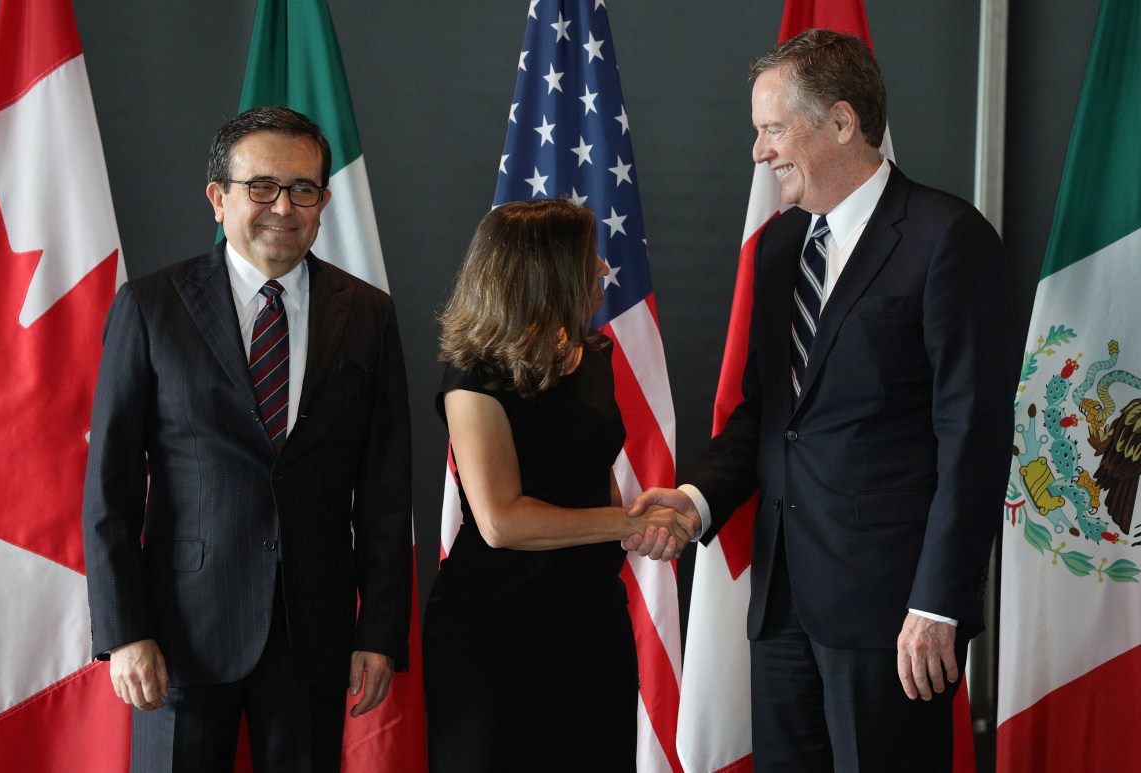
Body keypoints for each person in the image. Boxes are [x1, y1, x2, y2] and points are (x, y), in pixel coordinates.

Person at [626, 30, 1017, 772]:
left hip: (894, 618)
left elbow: (974, 434)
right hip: (783, 611)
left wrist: (939, 602)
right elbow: (769, 418)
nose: (758, 151)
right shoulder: (779, 250)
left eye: (773, 129)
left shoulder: (946, 238)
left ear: (841, 122)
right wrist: (695, 499)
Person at [81, 106, 413, 771]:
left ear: (323, 201)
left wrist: (377, 630)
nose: (282, 206)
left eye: (303, 189)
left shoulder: (368, 313)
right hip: (181, 630)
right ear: (218, 198)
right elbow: (109, 487)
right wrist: (125, 631)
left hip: (314, 631)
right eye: (261, 186)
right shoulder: (150, 306)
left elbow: (385, 489)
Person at [423, 199, 690, 772]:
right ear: (545, 271)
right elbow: (501, 521)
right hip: (496, 630)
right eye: (585, 256)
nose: (599, 267)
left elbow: (589, 471)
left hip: (591, 617)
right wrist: (627, 523)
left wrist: (636, 523)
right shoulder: (473, 376)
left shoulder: (593, 351)